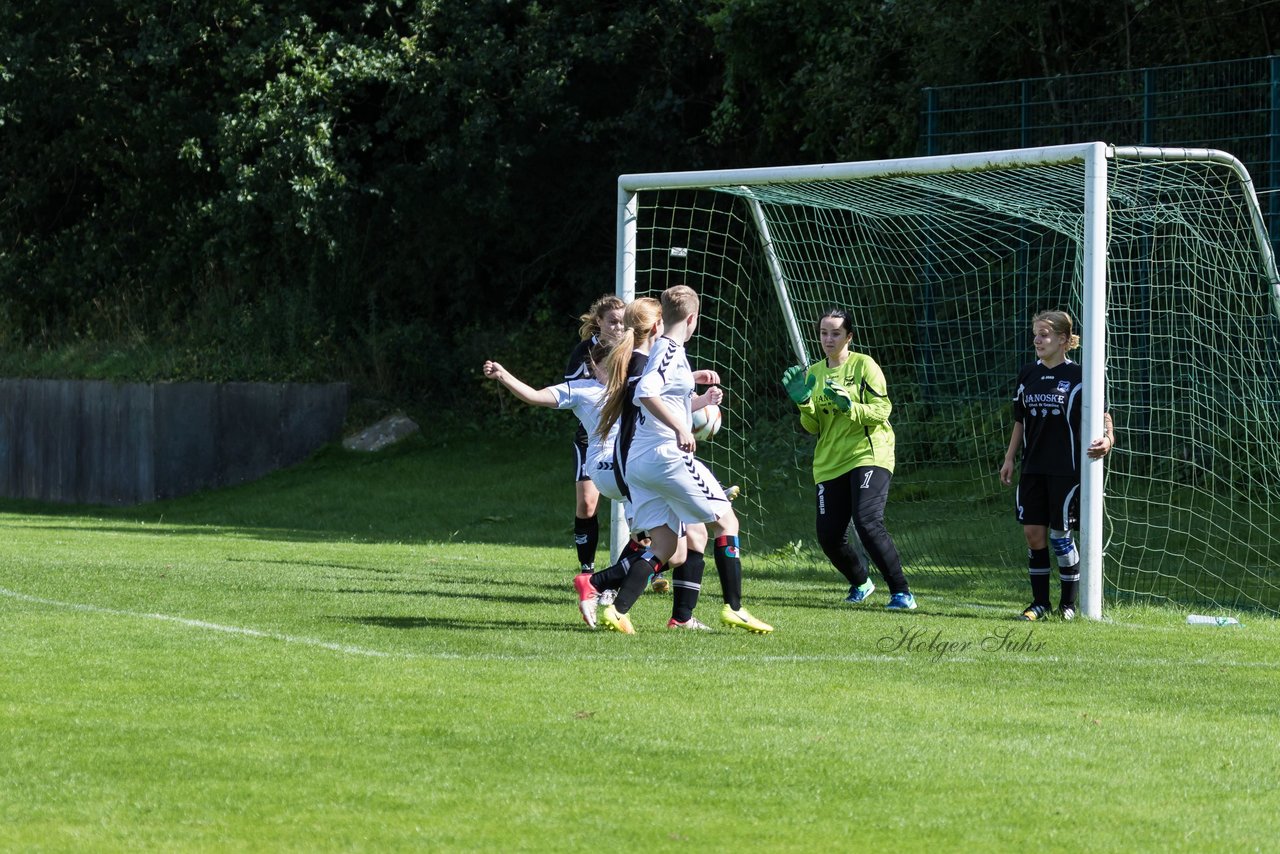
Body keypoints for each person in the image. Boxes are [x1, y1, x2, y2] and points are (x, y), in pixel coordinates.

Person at [587, 285, 773, 635]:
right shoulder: (670, 350)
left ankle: (618, 609)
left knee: (666, 545)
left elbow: (658, 389)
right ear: (692, 319)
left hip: (640, 464)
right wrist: (680, 429)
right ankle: (735, 608)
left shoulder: (660, 351)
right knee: (727, 522)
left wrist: (693, 388)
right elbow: (646, 393)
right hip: (665, 456)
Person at [575, 296, 723, 631]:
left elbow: (649, 403)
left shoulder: (637, 360)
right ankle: (606, 588)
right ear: (657, 326)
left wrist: (692, 394)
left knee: (677, 545)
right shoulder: (642, 364)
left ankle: (618, 596)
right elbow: (646, 402)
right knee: (698, 533)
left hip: (631, 464)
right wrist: (684, 421)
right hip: (638, 463)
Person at [781, 309, 917, 610]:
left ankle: (901, 593)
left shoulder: (864, 365)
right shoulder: (814, 373)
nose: (828, 339)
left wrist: (850, 406)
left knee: (867, 521)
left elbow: (882, 411)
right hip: (830, 462)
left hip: (869, 452)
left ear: (849, 337)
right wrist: (804, 403)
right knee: (829, 536)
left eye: (836, 333)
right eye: (824, 333)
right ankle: (861, 582)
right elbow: (814, 427)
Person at [999, 310, 1114, 621]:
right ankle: (1039, 603)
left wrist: (1108, 437)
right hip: (1032, 467)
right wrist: (1010, 458)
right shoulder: (1028, 374)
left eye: (1045, 334)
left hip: (1066, 469)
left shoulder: (1080, 376)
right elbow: (1020, 420)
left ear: (1064, 340)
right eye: (1036, 334)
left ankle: (1068, 605)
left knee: (1060, 536)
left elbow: (1103, 413)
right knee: (1033, 534)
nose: (1037, 340)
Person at [564, 295, 626, 574]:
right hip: (592, 437)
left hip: (628, 436)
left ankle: (652, 565)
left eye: (623, 323)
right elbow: (572, 393)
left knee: (641, 498)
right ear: (598, 322)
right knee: (587, 503)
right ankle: (587, 570)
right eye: (612, 322)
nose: (618, 328)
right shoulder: (583, 353)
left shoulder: (633, 349)